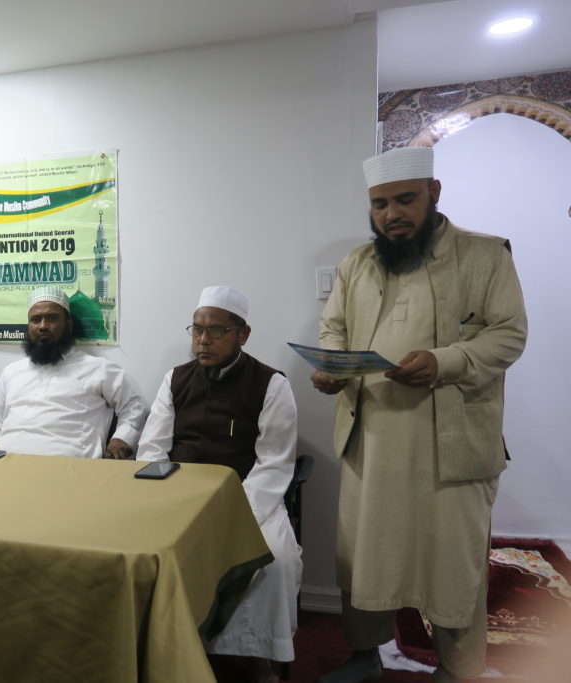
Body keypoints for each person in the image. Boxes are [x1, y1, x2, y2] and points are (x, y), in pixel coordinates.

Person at [312, 146, 528, 683]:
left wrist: (443, 361)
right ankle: (365, 655)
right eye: (380, 204)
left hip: (452, 445)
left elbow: (509, 335)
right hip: (371, 442)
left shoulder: (485, 255)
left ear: (434, 193)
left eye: (405, 200)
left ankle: (459, 669)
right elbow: (333, 329)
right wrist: (332, 367)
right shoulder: (357, 264)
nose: (392, 215)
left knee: (454, 565)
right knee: (364, 556)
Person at [137, 285, 300, 683]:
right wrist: (168, 499)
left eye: (216, 330)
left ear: (243, 334)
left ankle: (258, 654)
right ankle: (171, 649)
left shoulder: (271, 385)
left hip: (248, 499)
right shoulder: (175, 379)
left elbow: (274, 463)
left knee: (275, 559)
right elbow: (152, 449)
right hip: (179, 496)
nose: (203, 340)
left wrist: (232, 512)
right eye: (197, 330)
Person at [0, 286, 147, 459]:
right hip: (4, 463)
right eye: (36, 319)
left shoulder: (98, 368)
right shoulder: (11, 371)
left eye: (52, 318)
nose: (43, 326)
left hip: (70, 467)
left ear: (68, 324)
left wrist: (122, 438)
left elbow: (134, 406)